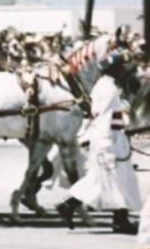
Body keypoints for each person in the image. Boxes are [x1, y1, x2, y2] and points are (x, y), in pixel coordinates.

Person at [56, 51, 142, 234]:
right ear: (114, 70)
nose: (124, 72)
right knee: (120, 181)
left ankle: (69, 205)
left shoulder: (105, 86)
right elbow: (107, 118)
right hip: (109, 140)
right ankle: (120, 221)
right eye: (121, 69)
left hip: (110, 138)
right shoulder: (109, 90)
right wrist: (111, 141)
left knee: (102, 181)